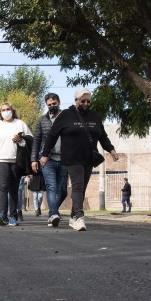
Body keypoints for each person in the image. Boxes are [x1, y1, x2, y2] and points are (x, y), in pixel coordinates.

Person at [40, 87, 120, 232]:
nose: (85, 104)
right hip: (72, 158)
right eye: (83, 101)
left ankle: (72, 215)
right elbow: (52, 135)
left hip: (88, 158)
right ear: (76, 100)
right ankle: (79, 217)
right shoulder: (66, 115)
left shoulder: (94, 116)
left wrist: (111, 150)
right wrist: (45, 154)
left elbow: (102, 136)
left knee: (82, 188)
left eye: (88, 101)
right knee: (77, 186)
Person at [0, 103, 32, 226]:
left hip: (16, 161)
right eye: (3, 110)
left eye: (8, 109)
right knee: (2, 188)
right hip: (0, 160)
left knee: (14, 189)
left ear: (12, 110)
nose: (6, 112)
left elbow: (30, 140)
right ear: (0, 113)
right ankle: (2, 215)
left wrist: (21, 140)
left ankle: (13, 216)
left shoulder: (20, 123)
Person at [31, 92, 69, 228]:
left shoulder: (67, 118)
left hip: (64, 159)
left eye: (54, 103)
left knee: (62, 191)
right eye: (49, 105)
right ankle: (53, 214)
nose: (52, 106)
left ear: (59, 102)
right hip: (47, 159)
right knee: (52, 187)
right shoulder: (42, 120)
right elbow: (36, 141)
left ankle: (53, 213)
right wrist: (34, 159)